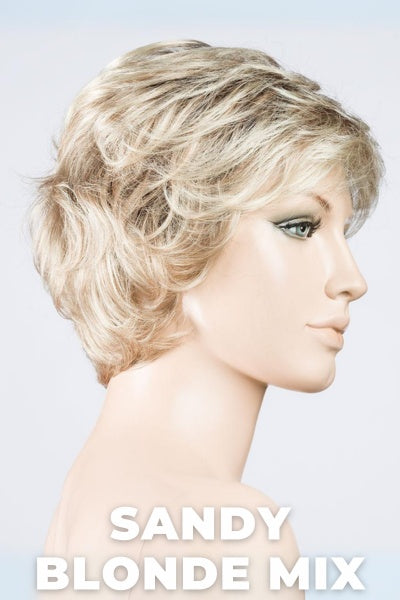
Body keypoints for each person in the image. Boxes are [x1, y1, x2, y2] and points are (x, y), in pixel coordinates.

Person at [28, 39, 384, 598]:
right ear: (166, 233)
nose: (351, 279)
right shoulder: (224, 534)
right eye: (300, 227)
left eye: (342, 232)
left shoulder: (88, 499)